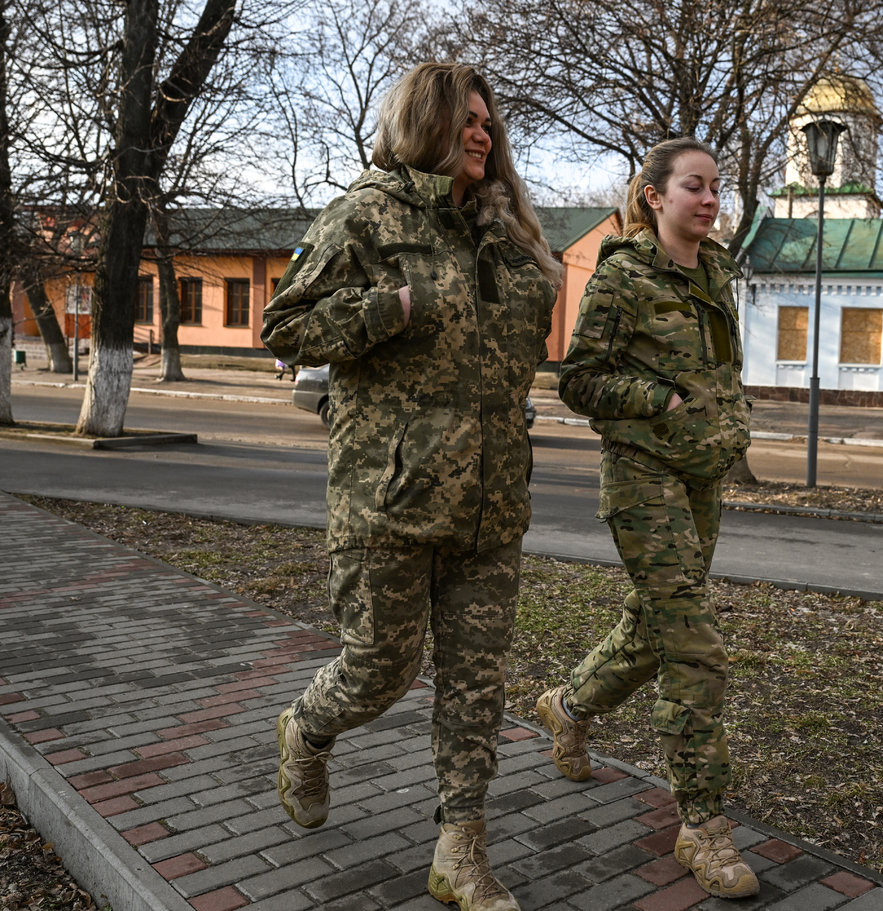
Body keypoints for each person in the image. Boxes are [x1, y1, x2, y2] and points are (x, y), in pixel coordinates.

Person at [260, 63, 561, 911]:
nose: (484, 134)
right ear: (425, 122)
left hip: (492, 504)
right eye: (467, 120)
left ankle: (460, 851)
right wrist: (384, 308)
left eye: (489, 123)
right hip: (386, 501)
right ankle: (308, 728)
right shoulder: (363, 214)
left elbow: (512, 358)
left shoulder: (502, 234)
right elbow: (282, 327)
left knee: (477, 685)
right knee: (381, 669)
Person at [534, 137, 758, 899]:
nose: (708, 199)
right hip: (642, 478)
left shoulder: (720, 269)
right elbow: (579, 380)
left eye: (715, 187)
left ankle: (567, 706)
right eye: (694, 186)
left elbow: (721, 367)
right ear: (655, 195)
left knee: (651, 628)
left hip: (701, 479)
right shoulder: (622, 275)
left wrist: (734, 416)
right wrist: (655, 398)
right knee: (694, 646)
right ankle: (702, 822)